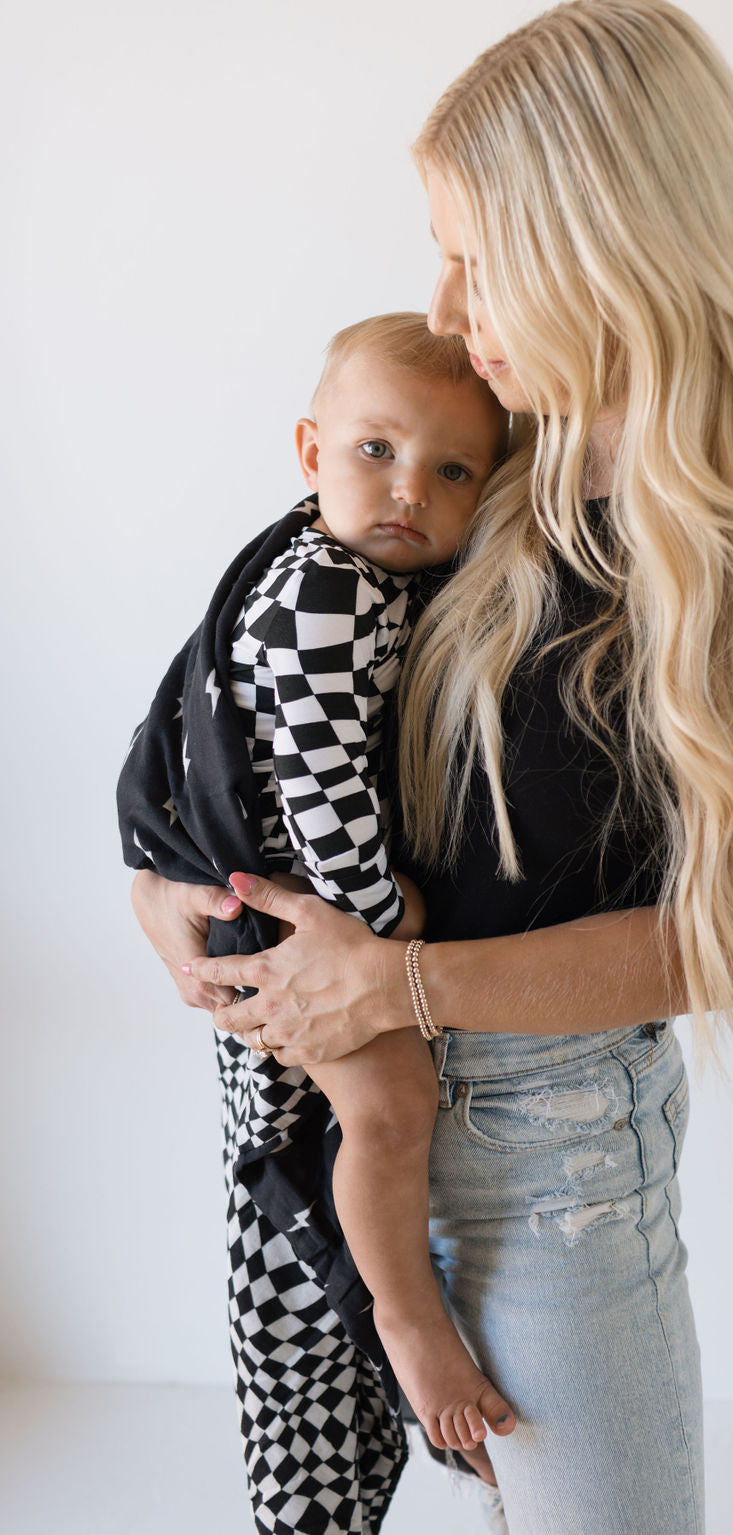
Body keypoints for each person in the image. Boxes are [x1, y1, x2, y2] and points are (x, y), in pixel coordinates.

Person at [131, 3, 733, 1531]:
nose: (443, 299)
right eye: (439, 248)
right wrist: (162, 880)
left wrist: (397, 991)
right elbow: (245, 688)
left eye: (483, 256)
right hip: (323, 1095)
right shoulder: (479, 463)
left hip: (553, 1154)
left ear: (612, 238)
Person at [118, 314, 515, 1466]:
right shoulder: (328, 594)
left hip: (285, 894)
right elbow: (323, 786)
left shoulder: (335, 567)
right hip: (293, 910)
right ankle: (405, 1320)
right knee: (390, 1106)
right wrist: (391, 933)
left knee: (364, 1123)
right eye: (374, 451)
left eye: (452, 469)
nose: (409, 490)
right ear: (310, 452)